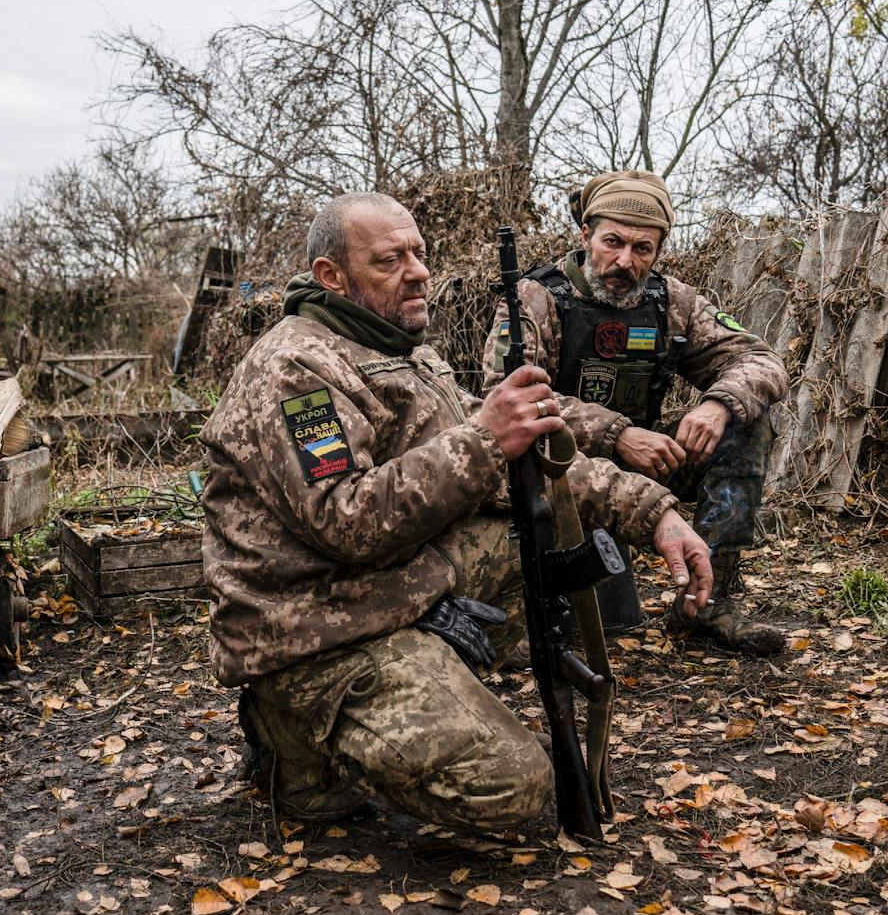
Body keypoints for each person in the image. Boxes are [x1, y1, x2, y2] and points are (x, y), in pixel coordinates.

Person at [200, 192, 712, 836]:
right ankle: (291, 734)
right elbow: (345, 518)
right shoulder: (295, 371)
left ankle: (417, 679)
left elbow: (524, 462)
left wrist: (655, 513)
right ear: (332, 276)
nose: (416, 271)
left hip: (378, 591)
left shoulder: (397, 347)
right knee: (516, 789)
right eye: (390, 260)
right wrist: (484, 439)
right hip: (311, 629)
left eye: (419, 253)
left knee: (531, 537)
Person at [483, 169, 789, 655]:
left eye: (642, 249)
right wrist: (617, 434)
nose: (625, 260)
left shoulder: (673, 303)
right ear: (586, 235)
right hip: (560, 469)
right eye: (613, 242)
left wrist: (716, 403)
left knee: (746, 422)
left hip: (647, 461)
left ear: (659, 251)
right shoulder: (535, 297)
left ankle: (706, 601)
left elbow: (761, 360)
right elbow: (508, 395)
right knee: (602, 627)